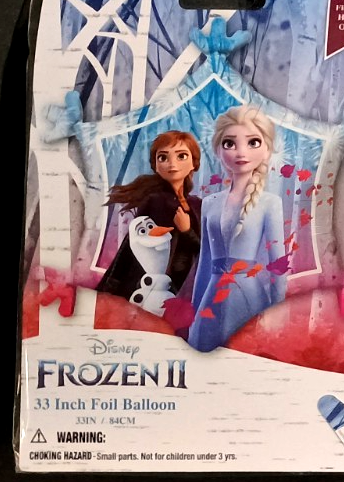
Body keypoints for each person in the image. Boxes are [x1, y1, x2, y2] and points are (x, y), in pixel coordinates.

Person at [187, 105, 287, 352]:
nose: (241, 152)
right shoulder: (210, 203)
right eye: (229, 143)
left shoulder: (270, 202)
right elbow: (205, 263)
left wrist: (278, 313)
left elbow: (278, 265)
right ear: (218, 150)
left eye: (253, 142)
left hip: (249, 297)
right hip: (212, 297)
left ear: (267, 150)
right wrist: (194, 311)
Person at [96, 130, 203, 309]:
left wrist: (186, 231)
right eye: (163, 157)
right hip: (153, 287)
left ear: (194, 163)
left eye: (181, 156)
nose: (172, 164)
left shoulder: (197, 205)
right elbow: (131, 245)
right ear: (155, 165)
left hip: (186, 286)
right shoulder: (156, 201)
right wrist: (110, 286)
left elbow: (204, 251)